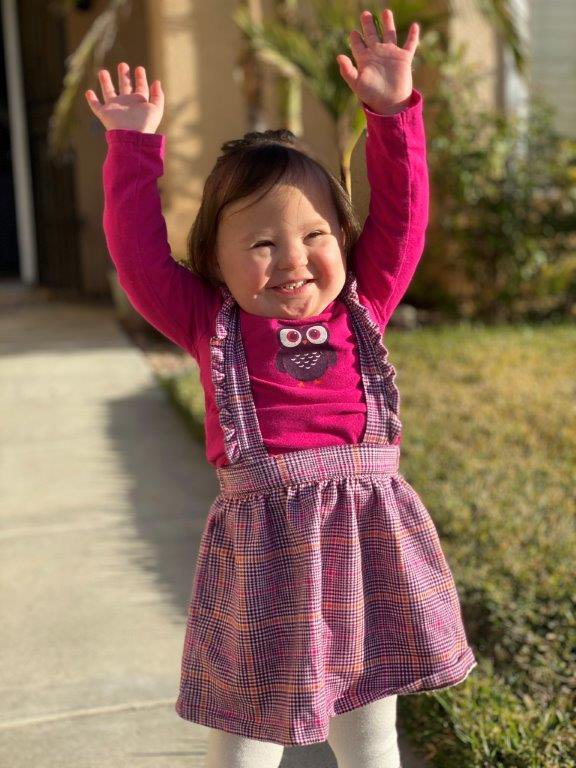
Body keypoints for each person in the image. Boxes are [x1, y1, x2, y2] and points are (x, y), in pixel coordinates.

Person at [86, 7, 477, 768]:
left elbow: (401, 216)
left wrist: (391, 112)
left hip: (368, 553)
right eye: (261, 243)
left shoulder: (364, 304)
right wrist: (132, 148)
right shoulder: (210, 322)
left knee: (371, 741)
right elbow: (138, 259)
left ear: (343, 238)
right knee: (245, 743)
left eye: (315, 236)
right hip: (263, 564)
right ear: (216, 261)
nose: (292, 261)